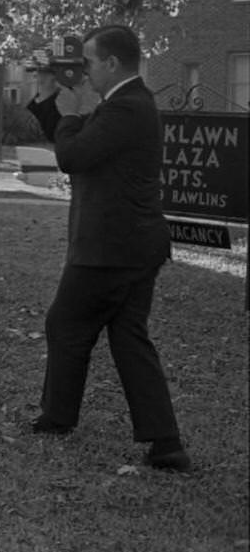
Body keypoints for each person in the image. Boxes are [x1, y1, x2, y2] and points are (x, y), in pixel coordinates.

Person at [26, 25, 190, 472]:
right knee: (128, 336)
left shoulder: (126, 107)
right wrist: (49, 99)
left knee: (65, 322)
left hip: (110, 249)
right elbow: (78, 141)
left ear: (113, 63)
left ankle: (58, 418)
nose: (84, 71)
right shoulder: (125, 104)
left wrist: (72, 109)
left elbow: (72, 156)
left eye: (89, 62)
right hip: (133, 244)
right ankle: (166, 443)